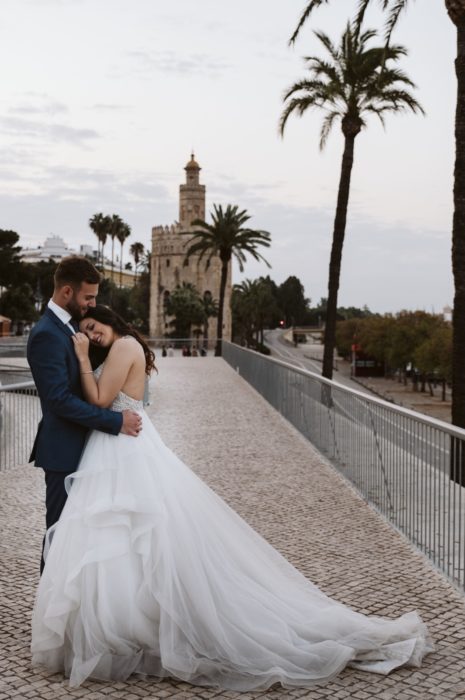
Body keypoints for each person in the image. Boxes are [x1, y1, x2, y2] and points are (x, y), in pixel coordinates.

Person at [31, 305, 433, 691]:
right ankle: (124, 623)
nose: (90, 335)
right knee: (120, 541)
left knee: (133, 533)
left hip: (125, 448)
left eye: (93, 327)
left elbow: (100, 401)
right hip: (115, 445)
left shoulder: (122, 347)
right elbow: (99, 399)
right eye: (84, 332)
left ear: (107, 320)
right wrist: (87, 358)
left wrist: (83, 356)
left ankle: (135, 627)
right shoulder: (118, 347)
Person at [27, 258, 142, 573]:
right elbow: (59, 400)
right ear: (67, 291)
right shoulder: (46, 334)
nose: (93, 304)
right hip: (63, 451)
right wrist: (116, 422)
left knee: (82, 537)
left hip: (88, 450)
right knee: (59, 534)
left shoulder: (70, 326)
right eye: (88, 297)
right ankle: (49, 615)